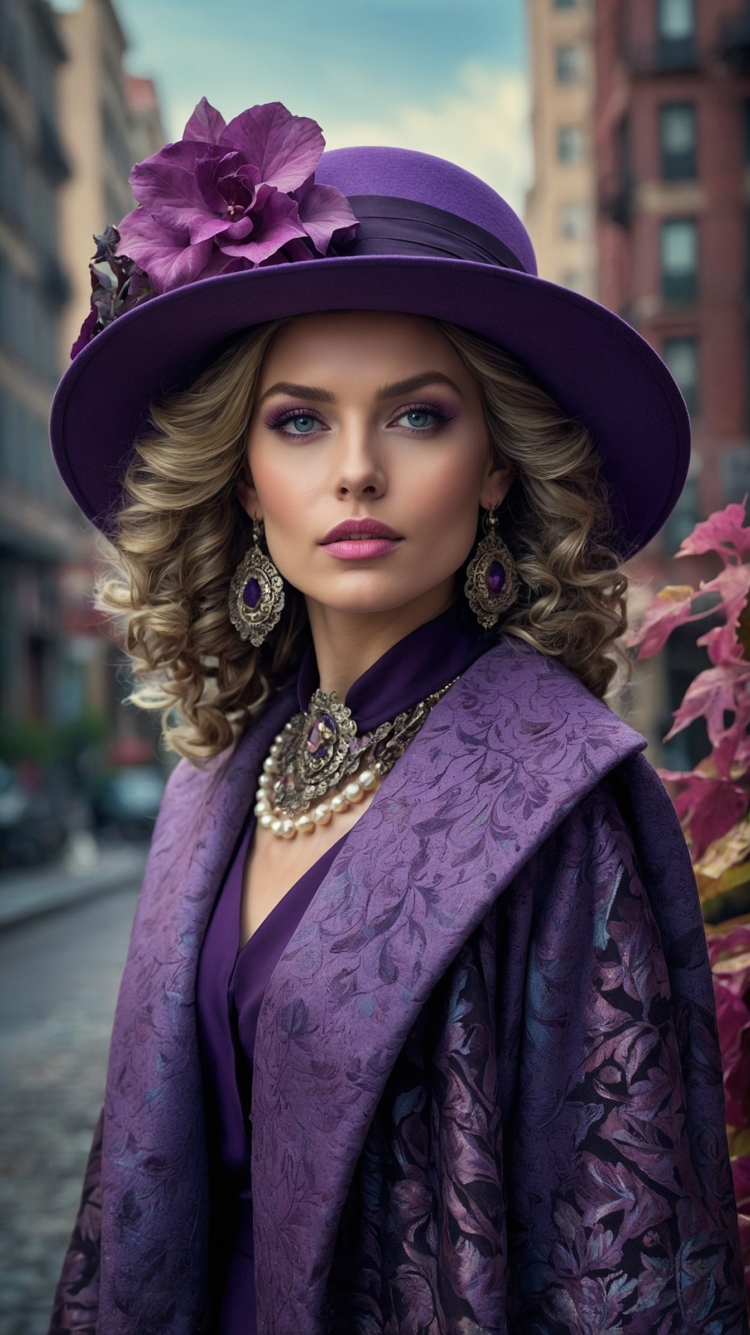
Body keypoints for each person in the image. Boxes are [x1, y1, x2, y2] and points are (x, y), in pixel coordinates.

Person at [48, 99, 747, 1335]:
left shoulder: (558, 802)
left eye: (419, 415)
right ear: (246, 478)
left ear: (493, 466)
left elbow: (626, 1258)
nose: (356, 469)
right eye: (299, 419)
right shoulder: (224, 775)